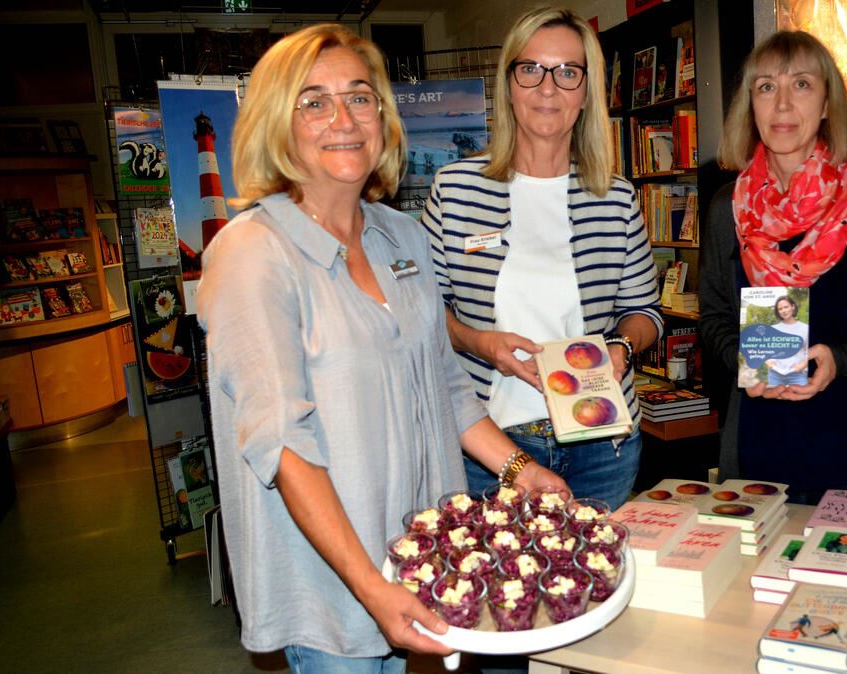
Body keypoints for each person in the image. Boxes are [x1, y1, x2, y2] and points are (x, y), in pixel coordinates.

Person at [198, 24, 566, 672]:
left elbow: (446, 385)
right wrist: (372, 589)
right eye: (313, 101)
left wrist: (520, 471)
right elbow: (281, 441)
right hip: (335, 592)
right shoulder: (253, 255)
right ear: (276, 125)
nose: (342, 118)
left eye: (359, 97)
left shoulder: (403, 238)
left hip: (424, 561)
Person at [422, 7, 663, 510]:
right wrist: (479, 342)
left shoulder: (614, 197)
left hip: (602, 441)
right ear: (508, 83)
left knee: (596, 582)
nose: (547, 88)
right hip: (487, 446)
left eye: (567, 72)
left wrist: (620, 346)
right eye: (530, 69)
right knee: (497, 587)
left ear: (586, 91)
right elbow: (423, 311)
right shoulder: (457, 187)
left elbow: (646, 313)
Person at [697, 30, 847, 504]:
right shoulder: (727, 208)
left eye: (800, 84)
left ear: (825, 105)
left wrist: (840, 359)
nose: (781, 105)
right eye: (766, 87)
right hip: (757, 441)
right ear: (750, 106)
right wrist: (744, 363)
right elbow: (714, 317)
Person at [763, 294, 809, 386]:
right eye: (780, 309)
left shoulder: (805, 328)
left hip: (797, 375)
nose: (783, 311)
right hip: (775, 375)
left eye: (786, 307)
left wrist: (803, 364)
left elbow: (809, 352)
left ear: (792, 307)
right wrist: (769, 362)